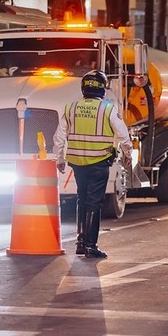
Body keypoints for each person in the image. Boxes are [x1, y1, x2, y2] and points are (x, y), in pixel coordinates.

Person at [53, 70, 132, 258]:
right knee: (94, 203)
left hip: (77, 163)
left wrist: (60, 158)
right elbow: (122, 134)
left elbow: (59, 136)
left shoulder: (70, 108)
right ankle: (91, 246)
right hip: (99, 162)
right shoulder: (108, 108)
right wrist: (128, 153)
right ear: (103, 89)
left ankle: (80, 242)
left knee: (82, 198)